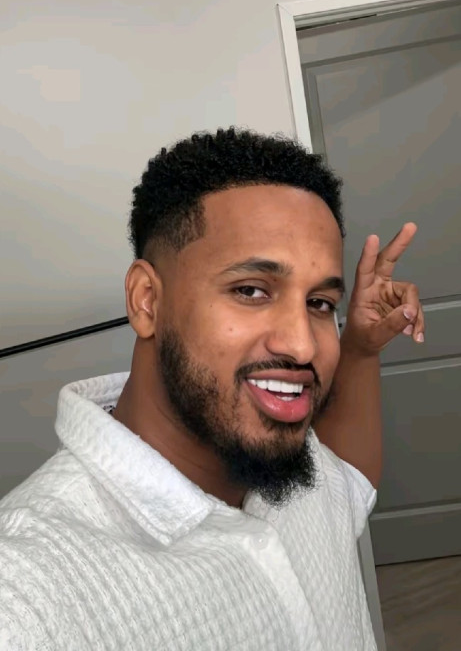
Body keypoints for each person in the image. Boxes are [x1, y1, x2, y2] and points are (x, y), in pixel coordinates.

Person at [0, 127, 424, 651]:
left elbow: (347, 481)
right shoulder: (26, 591)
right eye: (251, 290)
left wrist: (358, 348)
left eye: (319, 304)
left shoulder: (295, 463)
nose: (302, 346)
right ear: (147, 300)